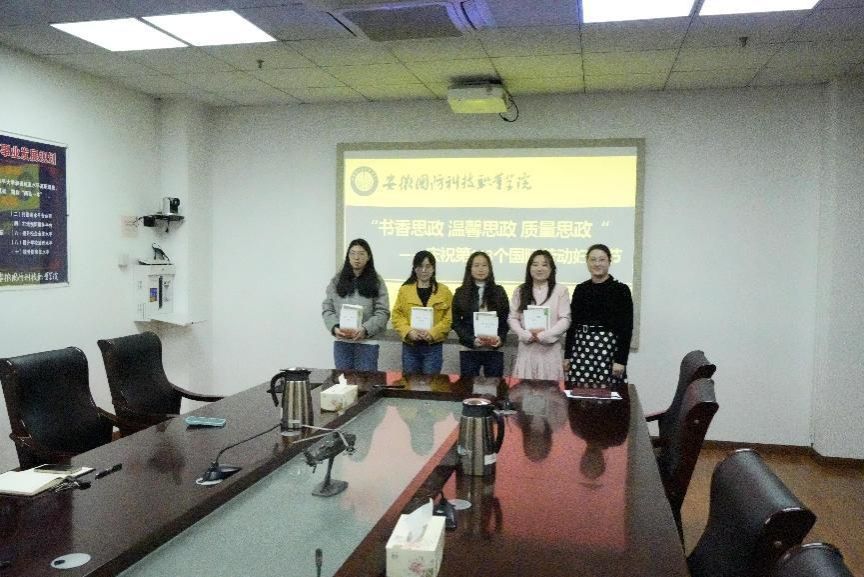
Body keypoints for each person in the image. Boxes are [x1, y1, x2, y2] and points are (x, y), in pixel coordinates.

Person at [564, 243, 633, 388]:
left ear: (609, 261)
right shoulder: (581, 289)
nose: (597, 264)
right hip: (580, 348)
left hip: (607, 350)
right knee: (579, 393)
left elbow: (626, 328)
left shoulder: (621, 290)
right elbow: (572, 324)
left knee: (606, 394)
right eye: (593, 259)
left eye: (602, 259)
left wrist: (621, 360)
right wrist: (567, 355)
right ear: (587, 262)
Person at [321, 239, 390, 371]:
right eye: (352, 253)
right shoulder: (337, 280)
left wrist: (365, 329)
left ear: (368, 257)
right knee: (343, 381)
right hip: (342, 342)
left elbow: (383, 312)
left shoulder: (377, 281)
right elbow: (327, 308)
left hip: (367, 343)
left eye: (361, 253)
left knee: (366, 381)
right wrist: (335, 327)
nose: (356, 258)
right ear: (348, 256)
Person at [507, 250, 571, 380]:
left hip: (550, 351)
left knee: (550, 390)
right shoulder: (520, 290)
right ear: (529, 268)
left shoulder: (560, 290)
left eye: (544, 265)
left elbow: (565, 319)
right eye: (535, 264)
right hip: (526, 349)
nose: (539, 268)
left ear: (551, 268)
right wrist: (523, 333)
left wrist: (545, 335)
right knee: (525, 389)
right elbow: (513, 317)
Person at [391, 250, 453, 374]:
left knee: (432, 383)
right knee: (410, 382)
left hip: (433, 347)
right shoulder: (405, 290)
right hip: (410, 346)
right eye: (420, 266)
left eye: (428, 266)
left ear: (433, 269)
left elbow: (449, 318)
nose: (424, 270)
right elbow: (397, 315)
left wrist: (433, 333)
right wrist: (409, 331)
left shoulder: (444, 291)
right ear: (414, 268)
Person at [452, 251, 510, 377]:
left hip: (494, 350)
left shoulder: (499, 291)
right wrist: (471, 340)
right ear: (470, 268)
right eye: (476, 265)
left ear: (490, 268)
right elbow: (455, 322)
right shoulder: (461, 292)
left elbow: (505, 320)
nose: (481, 269)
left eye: (484, 265)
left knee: (494, 387)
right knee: (468, 387)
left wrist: (500, 338)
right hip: (469, 349)